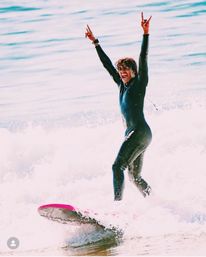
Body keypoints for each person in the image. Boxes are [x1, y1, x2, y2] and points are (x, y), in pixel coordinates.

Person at [85, 12, 152, 201]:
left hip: (139, 132)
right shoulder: (121, 85)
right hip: (139, 134)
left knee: (117, 167)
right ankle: (155, 202)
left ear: (133, 71)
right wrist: (95, 42)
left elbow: (143, 58)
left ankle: (117, 209)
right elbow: (107, 65)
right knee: (134, 176)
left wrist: (145, 34)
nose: (122, 73)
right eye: (120, 70)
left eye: (125, 70)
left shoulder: (139, 84)